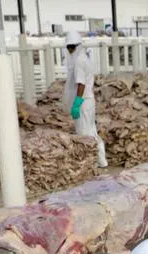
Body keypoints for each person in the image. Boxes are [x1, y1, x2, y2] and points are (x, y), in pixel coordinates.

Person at [64, 31, 108, 169]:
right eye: (68, 47)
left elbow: (81, 84)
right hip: (88, 101)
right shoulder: (84, 58)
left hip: (83, 102)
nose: (69, 50)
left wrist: (77, 103)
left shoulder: (79, 62)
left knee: (84, 133)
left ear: (77, 46)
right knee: (91, 130)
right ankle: (101, 161)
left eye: (71, 47)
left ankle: (92, 162)